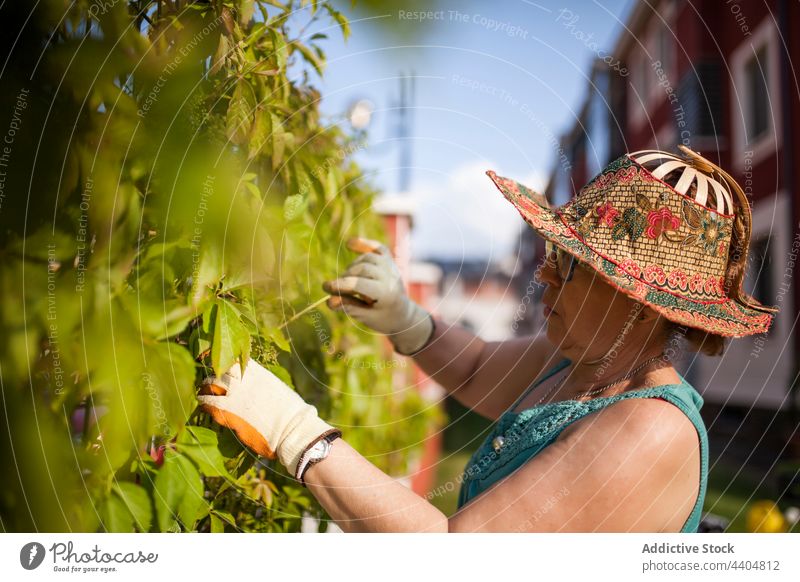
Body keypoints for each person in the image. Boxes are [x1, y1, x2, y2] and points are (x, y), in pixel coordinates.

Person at [197, 145, 776, 532]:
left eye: (573, 264)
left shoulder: (650, 429)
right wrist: (405, 317)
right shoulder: (577, 362)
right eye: (556, 253)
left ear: (642, 302)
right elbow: (475, 368)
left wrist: (297, 434)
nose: (545, 273)